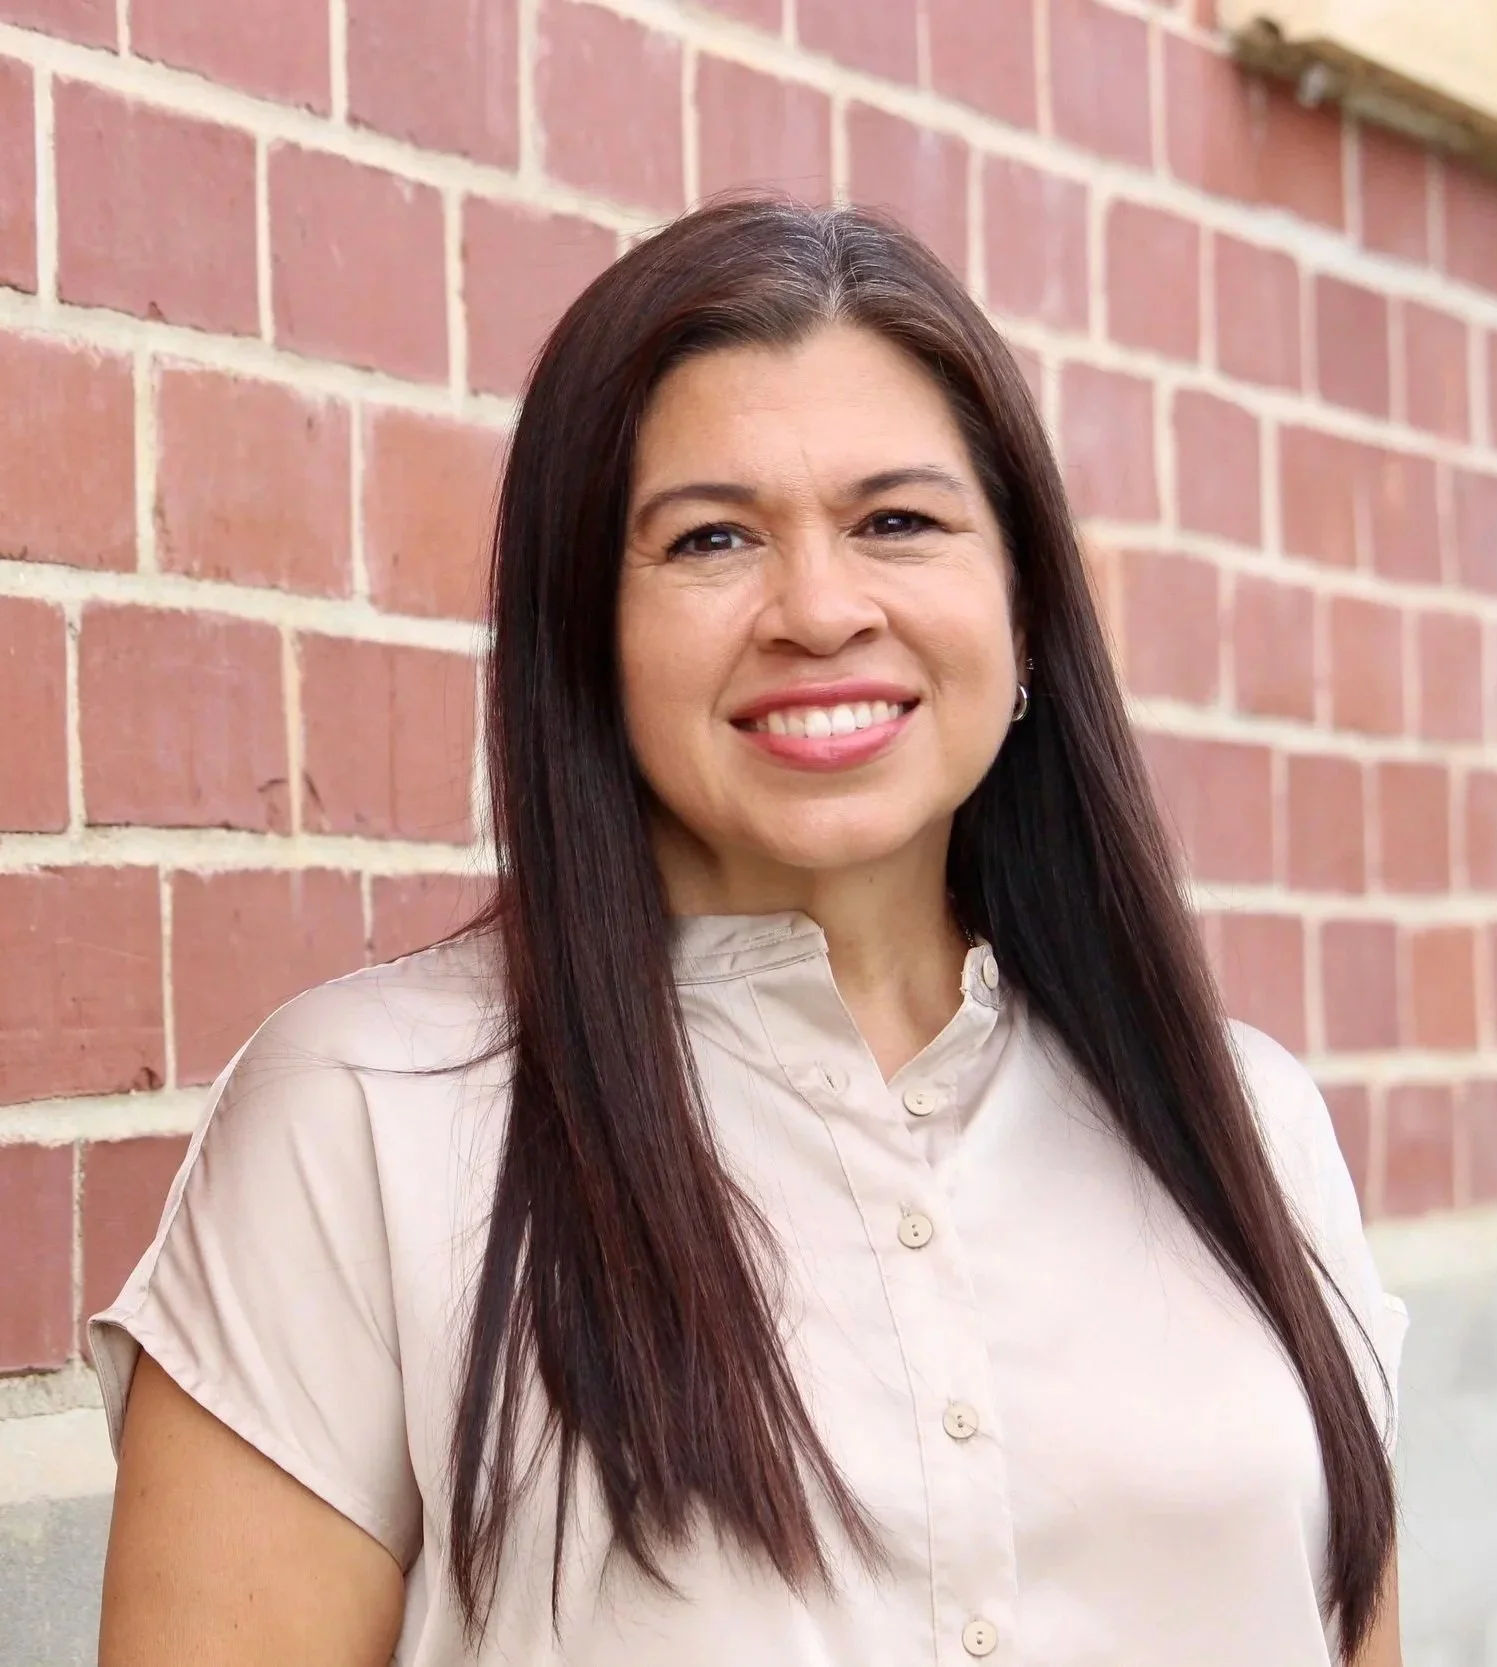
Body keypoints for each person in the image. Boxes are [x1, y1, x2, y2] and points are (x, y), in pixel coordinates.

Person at [91, 197, 1407, 1667]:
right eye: (711, 538)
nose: (820, 607)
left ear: (1025, 607)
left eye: (895, 521)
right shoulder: (367, 1125)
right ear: (584, 631)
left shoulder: (1250, 1129)